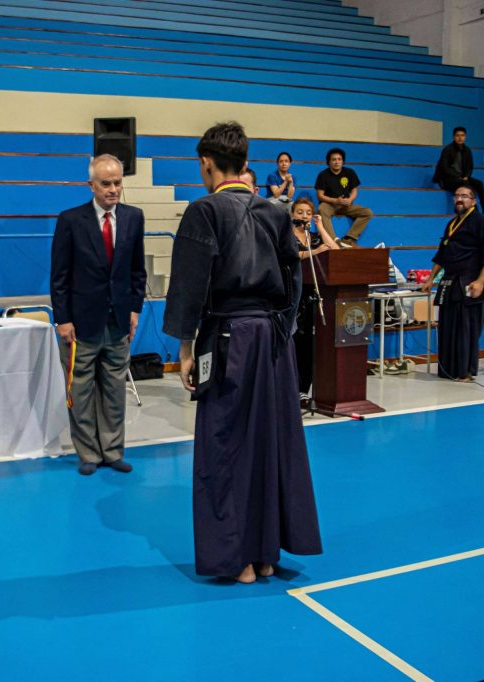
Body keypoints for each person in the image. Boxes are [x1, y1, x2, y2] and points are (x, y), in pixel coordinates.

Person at [163, 122, 321, 583]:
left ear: (207, 164)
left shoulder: (203, 211)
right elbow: (294, 285)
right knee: (270, 444)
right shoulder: (275, 211)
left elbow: (189, 288)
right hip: (272, 343)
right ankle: (266, 552)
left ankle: (238, 559)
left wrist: (186, 348)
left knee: (225, 446)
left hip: (227, 339)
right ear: (247, 165)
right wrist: (281, 335)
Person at [50, 154, 146, 475]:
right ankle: (89, 454)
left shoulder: (134, 218)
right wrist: (62, 319)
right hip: (80, 324)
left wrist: (134, 308)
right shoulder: (70, 220)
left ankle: (113, 450)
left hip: (119, 320)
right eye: (106, 183)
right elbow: (59, 275)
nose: (114, 189)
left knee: (115, 391)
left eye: (118, 182)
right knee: (80, 390)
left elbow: (137, 270)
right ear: (91, 185)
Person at [420, 184, 484, 382]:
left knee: (466, 328)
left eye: (464, 196)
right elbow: (442, 254)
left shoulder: (482, 222)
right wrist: (431, 279)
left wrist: (481, 281)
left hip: (470, 280)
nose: (459, 199)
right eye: (456, 196)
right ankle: (448, 369)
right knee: (447, 325)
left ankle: (465, 371)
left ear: (473, 200)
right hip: (449, 281)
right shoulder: (452, 223)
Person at [291, 197, 340, 398]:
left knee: (310, 344)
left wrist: (320, 227)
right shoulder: (286, 235)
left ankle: (303, 389)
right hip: (294, 294)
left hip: (314, 295)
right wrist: (314, 252)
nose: (304, 216)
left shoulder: (314, 237)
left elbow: (335, 251)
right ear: (292, 214)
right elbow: (290, 254)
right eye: (300, 211)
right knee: (295, 342)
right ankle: (289, 387)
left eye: (308, 213)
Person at [314, 147, 372, 248]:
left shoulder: (350, 172)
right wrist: (335, 200)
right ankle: (333, 240)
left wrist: (350, 199)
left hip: (346, 205)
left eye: (339, 159)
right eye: (334, 159)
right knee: (322, 208)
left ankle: (348, 239)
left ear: (343, 161)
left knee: (367, 212)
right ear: (329, 162)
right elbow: (320, 195)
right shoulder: (323, 175)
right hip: (330, 205)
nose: (337, 162)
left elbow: (354, 191)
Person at [433, 126, 484, 215]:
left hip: (462, 178)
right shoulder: (447, 149)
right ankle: (474, 211)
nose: (460, 138)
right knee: (465, 185)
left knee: (479, 183)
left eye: (462, 135)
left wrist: (466, 176)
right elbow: (444, 168)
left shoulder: (467, 150)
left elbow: (470, 167)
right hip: (448, 179)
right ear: (454, 137)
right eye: (458, 135)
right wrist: (459, 177)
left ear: (465, 137)